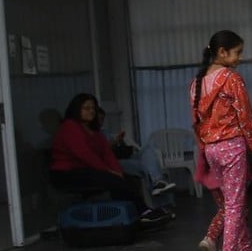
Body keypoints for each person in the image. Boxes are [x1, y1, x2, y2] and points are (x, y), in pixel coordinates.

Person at [190, 30, 252, 251]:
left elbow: (196, 123)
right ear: (222, 52)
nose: (240, 57)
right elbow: (246, 119)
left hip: (210, 150)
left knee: (228, 204)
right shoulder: (230, 79)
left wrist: (204, 151)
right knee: (236, 205)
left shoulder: (196, 83)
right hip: (232, 148)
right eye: (237, 52)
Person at [48, 93, 168, 224]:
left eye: (93, 108)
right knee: (113, 180)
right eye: (86, 108)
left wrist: (118, 172)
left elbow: (107, 154)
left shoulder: (94, 130)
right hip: (67, 175)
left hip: (86, 170)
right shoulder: (70, 126)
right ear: (76, 109)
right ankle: (143, 212)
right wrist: (108, 171)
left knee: (125, 179)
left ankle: (138, 214)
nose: (91, 111)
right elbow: (84, 154)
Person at [95, 106, 176, 197]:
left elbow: (119, 149)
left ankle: (158, 182)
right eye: (98, 119)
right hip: (113, 162)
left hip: (124, 156)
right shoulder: (92, 135)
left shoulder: (104, 132)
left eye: (102, 119)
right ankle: (155, 186)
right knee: (144, 165)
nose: (100, 122)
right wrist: (112, 143)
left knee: (148, 149)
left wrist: (120, 143)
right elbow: (101, 153)